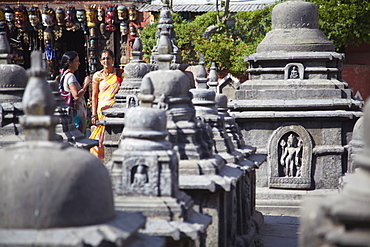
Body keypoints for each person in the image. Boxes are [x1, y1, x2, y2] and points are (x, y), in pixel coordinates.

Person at [89, 49, 123, 161]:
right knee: (99, 139)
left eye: (108, 58)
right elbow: (94, 95)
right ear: (100, 61)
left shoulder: (120, 74)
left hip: (115, 111)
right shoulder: (97, 76)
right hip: (102, 111)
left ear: (113, 60)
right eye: (103, 58)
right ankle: (99, 161)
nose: (106, 61)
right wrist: (94, 114)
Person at [59, 51, 91, 134]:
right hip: (76, 113)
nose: (79, 63)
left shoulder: (64, 75)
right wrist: (85, 85)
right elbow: (76, 96)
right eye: (76, 61)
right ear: (70, 63)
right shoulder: (70, 76)